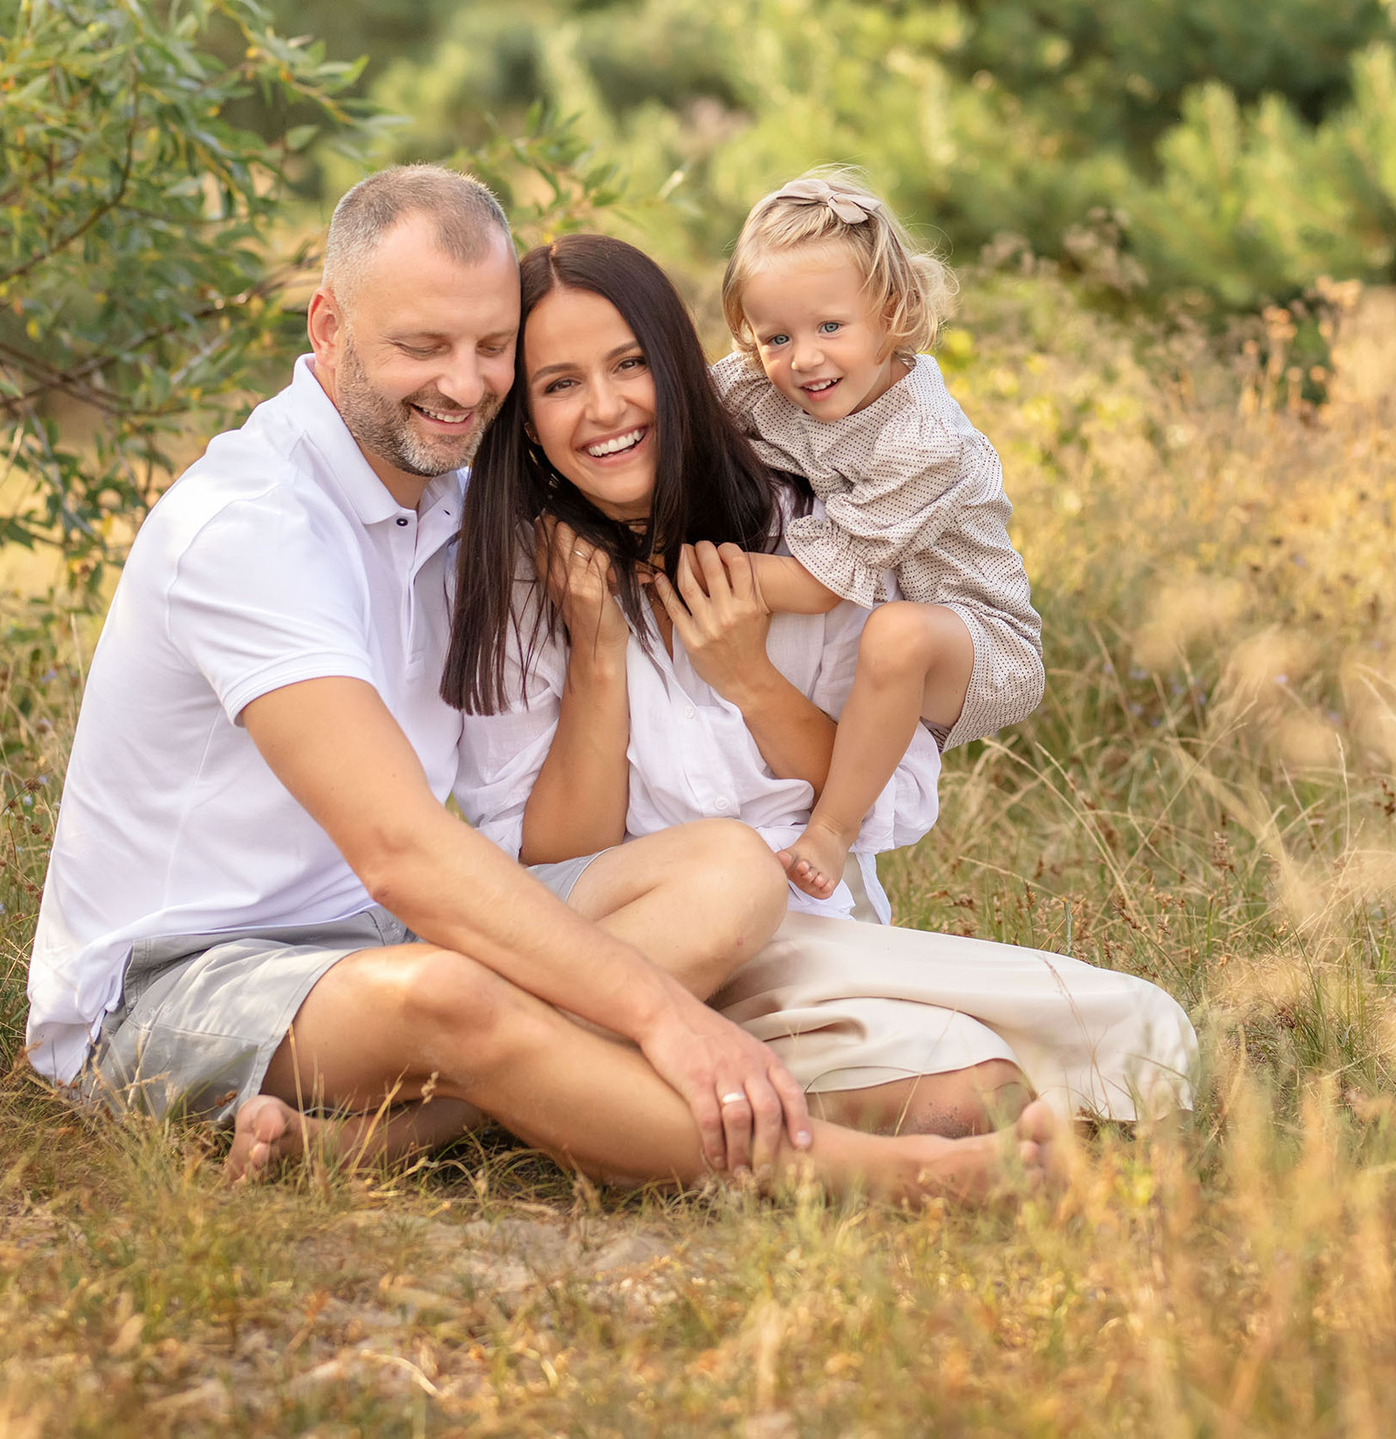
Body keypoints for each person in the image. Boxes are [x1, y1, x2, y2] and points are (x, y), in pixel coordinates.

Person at [24, 165, 1058, 1198]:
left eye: (490, 349)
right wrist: (663, 1016)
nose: (463, 383)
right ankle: (904, 1178)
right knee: (451, 995)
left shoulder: (459, 501)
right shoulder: (252, 527)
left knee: (729, 871)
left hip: (387, 942)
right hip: (184, 979)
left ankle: (418, 1129)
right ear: (329, 327)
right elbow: (400, 850)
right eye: (422, 345)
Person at [446, 232, 1195, 1137]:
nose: (605, 408)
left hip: (807, 947)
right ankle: (491, 1097)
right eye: (560, 383)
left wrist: (749, 678)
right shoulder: (517, 571)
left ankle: (640, 1097)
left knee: (1024, 1076)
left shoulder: (812, 533)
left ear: (679, 369)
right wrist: (598, 655)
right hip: (628, 941)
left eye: (630, 364)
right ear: (525, 417)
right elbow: (551, 859)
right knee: (735, 888)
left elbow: (874, 804)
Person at [709, 168, 1046, 904]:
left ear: (893, 314)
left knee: (896, 635)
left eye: (831, 327)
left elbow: (816, 586)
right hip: (883, 621)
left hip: (978, 639)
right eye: (776, 336)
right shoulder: (767, 382)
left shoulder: (924, 438)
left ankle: (833, 828)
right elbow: (683, 411)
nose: (804, 358)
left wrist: (689, 569)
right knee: (883, 634)